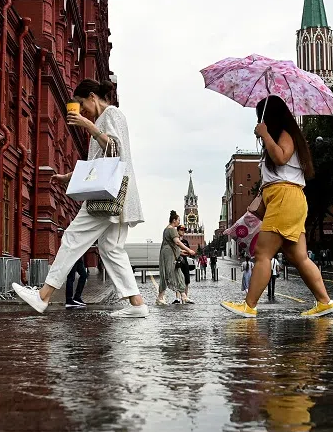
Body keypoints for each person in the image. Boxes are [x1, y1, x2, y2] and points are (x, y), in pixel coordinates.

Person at [11, 79, 148, 317]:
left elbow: (115, 150)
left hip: (107, 195)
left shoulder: (110, 114)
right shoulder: (111, 116)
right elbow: (101, 163)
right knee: (111, 249)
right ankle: (138, 305)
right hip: (120, 193)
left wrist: (88, 125)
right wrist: (70, 177)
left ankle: (43, 296)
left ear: (93, 96)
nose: (82, 110)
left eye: (83, 104)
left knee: (73, 239)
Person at [221, 95, 333, 318]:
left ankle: (249, 306)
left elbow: (281, 158)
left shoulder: (286, 135)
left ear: (270, 117)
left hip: (285, 198)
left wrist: (264, 135)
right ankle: (324, 301)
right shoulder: (280, 137)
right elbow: (271, 179)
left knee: (263, 253)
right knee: (299, 256)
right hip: (284, 199)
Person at [156, 211, 195, 305]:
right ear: (174, 220)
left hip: (166, 254)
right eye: (178, 220)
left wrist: (181, 252)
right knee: (170, 274)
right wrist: (189, 250)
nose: (179, 222)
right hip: (169, 256)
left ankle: (183, 296)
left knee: (175, 274)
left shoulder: (166, 229)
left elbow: (170, 245)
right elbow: (177, 242)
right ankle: (161, 298)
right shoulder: (172, 229)